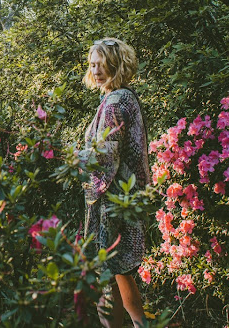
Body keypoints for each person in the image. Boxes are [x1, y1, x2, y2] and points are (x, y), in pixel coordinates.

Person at [82, 38, 150, 328]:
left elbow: (106, 156)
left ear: (115, 64)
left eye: (101, 64)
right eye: (92, 64)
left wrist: (71, 160)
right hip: (125, 196)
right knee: (121, 272)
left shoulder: (115, 102)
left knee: (108, 273)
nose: (95, 70)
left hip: (114, 200)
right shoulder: (123, 97)